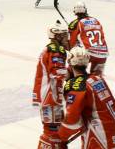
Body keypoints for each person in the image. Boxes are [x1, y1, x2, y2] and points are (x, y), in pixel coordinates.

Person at [58, 47, 115, 148]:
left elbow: (73, 121)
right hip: (114, 134)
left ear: (70, 63)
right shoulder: (98, 79)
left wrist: (61, 137)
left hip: (98, 138)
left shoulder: (77, 86)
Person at [33, 20, 69, 149]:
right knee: (52, 131)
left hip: (49, 96)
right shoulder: (55, 50)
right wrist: (77, 72)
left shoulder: (53, 49)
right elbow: (57, 72)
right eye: (64, 36)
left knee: (53, 129)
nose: (67, 39)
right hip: (50, 97)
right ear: (57, 36)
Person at [68, 2, 109, 76]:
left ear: (75, 12)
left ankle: (77, 85)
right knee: (96, 78)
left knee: (75, 70)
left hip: (88, 54)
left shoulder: (75, 23)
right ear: (85, 10)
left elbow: (71, 43)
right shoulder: (95, 20)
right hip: (103, 53)